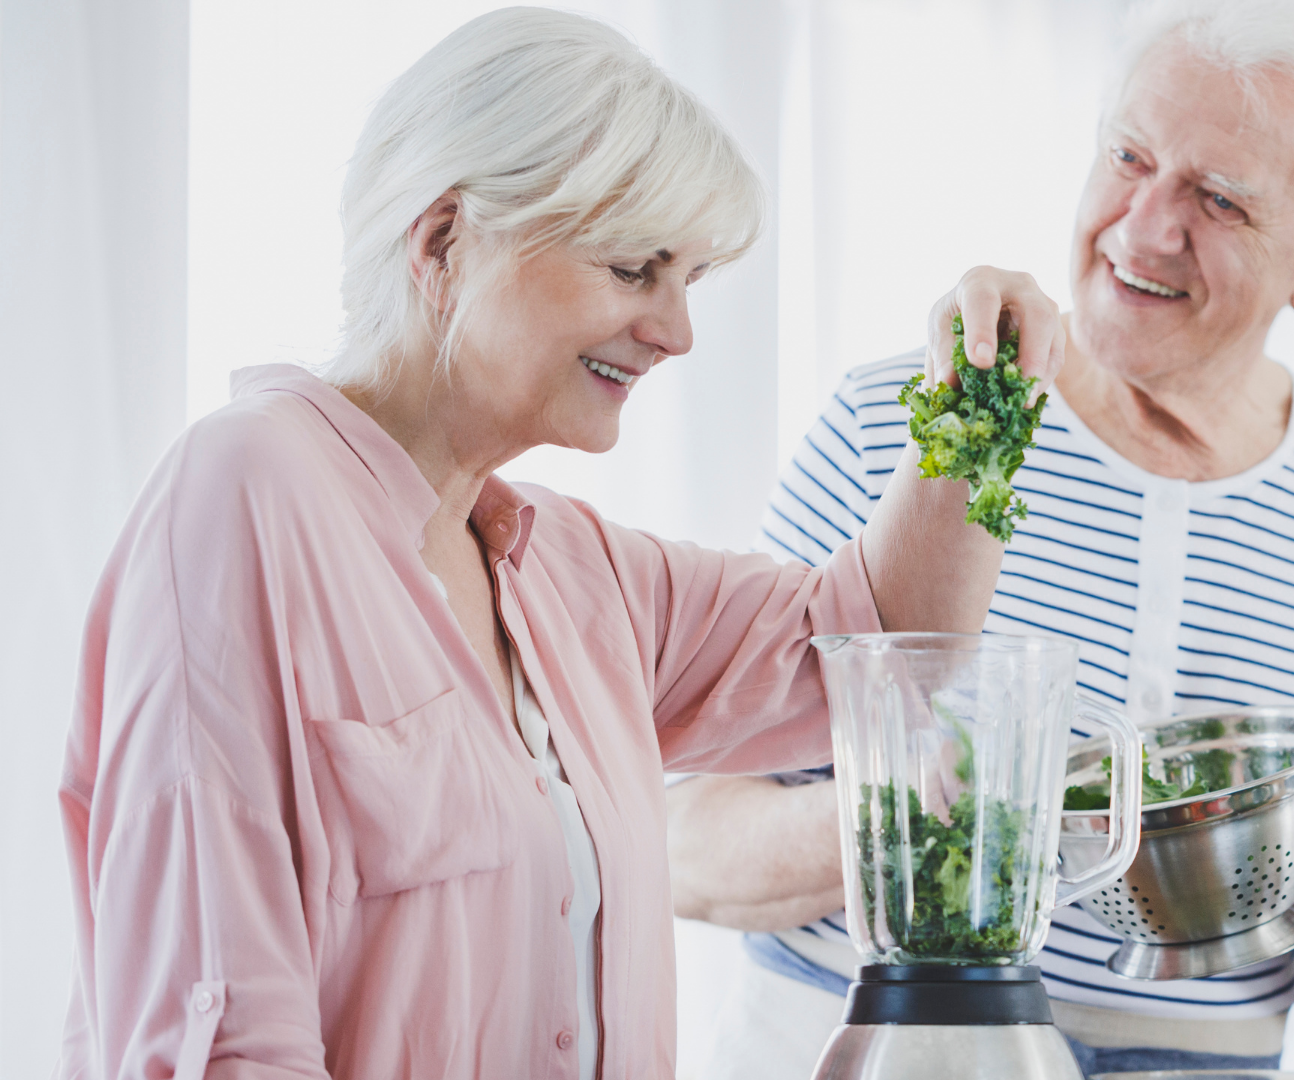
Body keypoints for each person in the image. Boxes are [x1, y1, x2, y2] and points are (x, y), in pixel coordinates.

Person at [54, 9, 1060, 1079]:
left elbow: (887, 646)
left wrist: (982, 402)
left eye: (689, 283)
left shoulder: (578, 575)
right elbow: (218, 1037)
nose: (677, 333)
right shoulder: (245, 494)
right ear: (445, 241)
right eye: (635, 270)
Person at [668, 0, 1294, 1073]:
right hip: (864, 1048)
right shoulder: (909, 425)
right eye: (1130, 157)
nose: (1144, 226)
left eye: (1219, 199)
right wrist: (934, 811)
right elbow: (686, 843)